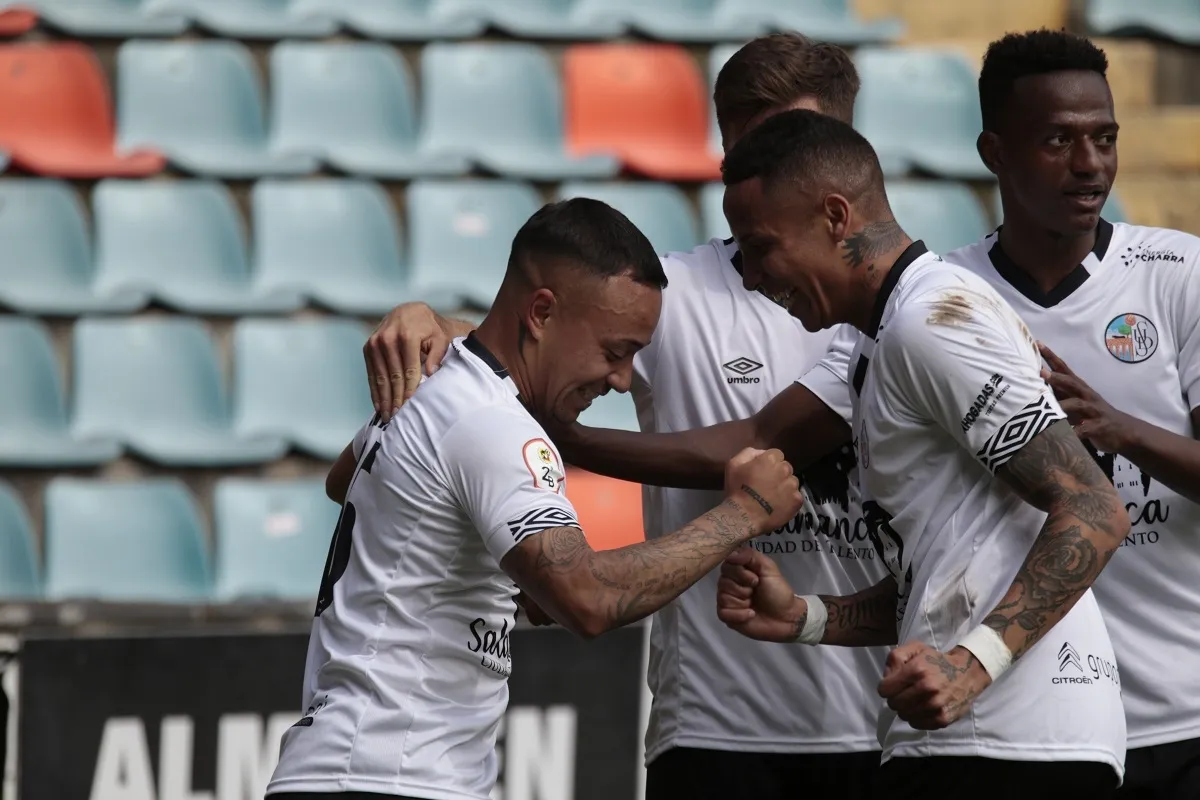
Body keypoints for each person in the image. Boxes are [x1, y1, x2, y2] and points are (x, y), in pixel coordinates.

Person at [361, 34, 891, 800]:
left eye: (789, 141)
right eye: (743, 149)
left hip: (877, 714)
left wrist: (572, 440)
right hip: (714, 724)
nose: (759, 174)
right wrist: (428, 319)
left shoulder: (893, 309)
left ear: (845, 153)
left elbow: (761, 442)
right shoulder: (670, 293)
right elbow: (523, 341)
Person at [264, 198, 803, 800]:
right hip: (391, 777)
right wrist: (744, 511)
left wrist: (488, 564)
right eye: (614, 350)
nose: (623, 379)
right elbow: (589, 600)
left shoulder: (439, 388)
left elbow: (349, 481)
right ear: (542, 312)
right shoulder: (494, 424)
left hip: (352, 764)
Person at [712, 108, 1128, 796]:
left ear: (836, 216)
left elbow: (1093, 508)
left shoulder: (930, 323)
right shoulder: (885, 341)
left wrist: (970, 665)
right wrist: (808, 617)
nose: (752, 275)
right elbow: (943, 573)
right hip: (979, 739)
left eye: (759, 245)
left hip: (1012, 745)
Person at [951, 30, 1200, 800]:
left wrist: (1121, 431)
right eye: (1058, 140)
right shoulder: (946, 297)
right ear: (995, 151)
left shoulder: (1180, 274)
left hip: (1183, 716)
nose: (1090, 165)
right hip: (1031, 731)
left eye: (1105, 138)